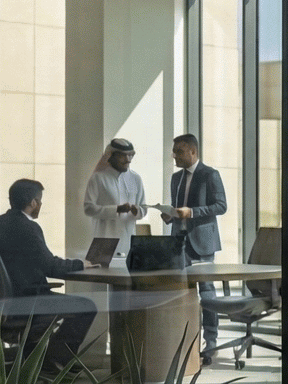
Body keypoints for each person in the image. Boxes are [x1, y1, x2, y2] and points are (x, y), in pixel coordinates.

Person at [0, 179, 100, 370]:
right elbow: (50, 266)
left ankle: (44, 358)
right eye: (40, 201)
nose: (40, 205)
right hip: (27, 298)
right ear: (33, 203)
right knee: (86, 306)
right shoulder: (28, 228)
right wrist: (80, 264)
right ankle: (53, 360)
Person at [160, 133, 228, 362]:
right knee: (181, 292)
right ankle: (185, 341)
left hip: (202, 242)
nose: (175, 156)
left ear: (193, 152)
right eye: (174, 151)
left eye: (179, 151)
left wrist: (193, 212)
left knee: (206, 291)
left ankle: (211, 341)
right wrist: (170, 215)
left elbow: (221, 206)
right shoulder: (175, 178)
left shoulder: (210, 175)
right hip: (179, 242)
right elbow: (179, 209)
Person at [81, 137, 146, 259]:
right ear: (111, 156)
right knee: (103, 276)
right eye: (123, 155)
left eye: (130, 155)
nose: (128, 160)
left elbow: (143, 208)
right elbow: (88, 208)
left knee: (127, 276)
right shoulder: (98, 178)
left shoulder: (136, 178)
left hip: (128, 240)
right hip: (104, 239)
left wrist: (137, 211)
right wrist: (116, 209)